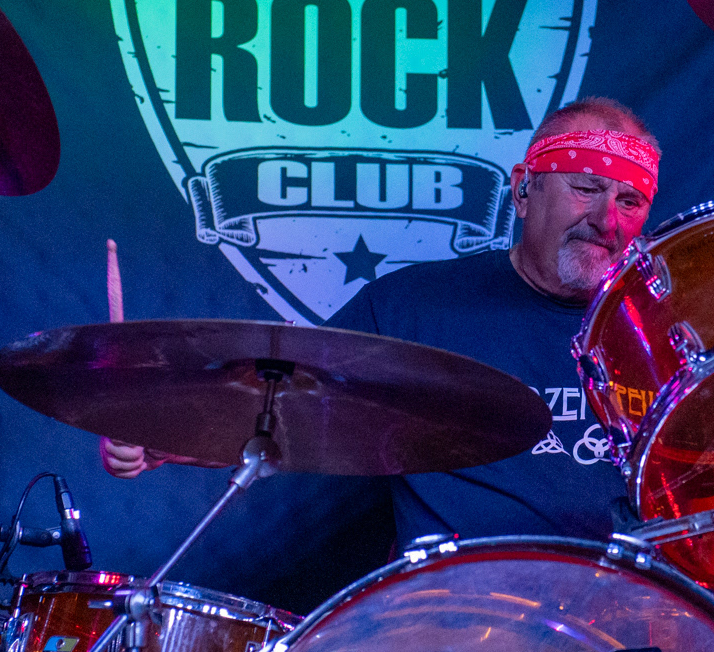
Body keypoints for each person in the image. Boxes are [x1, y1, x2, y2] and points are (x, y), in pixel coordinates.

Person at [101, 96, 660, 546]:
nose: (606, 220)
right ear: (523, 190)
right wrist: (160, 436)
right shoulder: (413, 306)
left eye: (630, 202)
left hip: (628, 612)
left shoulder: (666, 333)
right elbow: (285, 409)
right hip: (456, 615)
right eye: (586, 188)